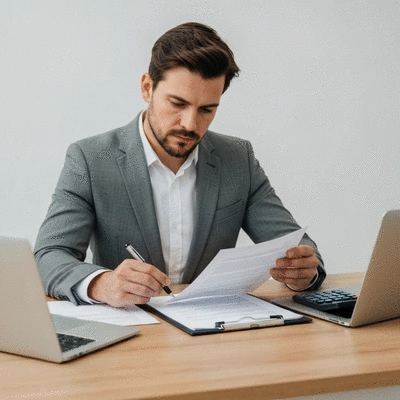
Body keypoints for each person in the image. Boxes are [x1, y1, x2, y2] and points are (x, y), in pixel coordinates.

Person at [34, 22, 326, 308]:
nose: (190, 123)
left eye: (206, 110)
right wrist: (103, 283)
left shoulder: (238, 159)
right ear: (147, 88)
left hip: (211, 335)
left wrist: (303, 272)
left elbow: (298, 247)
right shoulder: (90, 159)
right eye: (177, 103)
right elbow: (49, 255)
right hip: (131, 336)